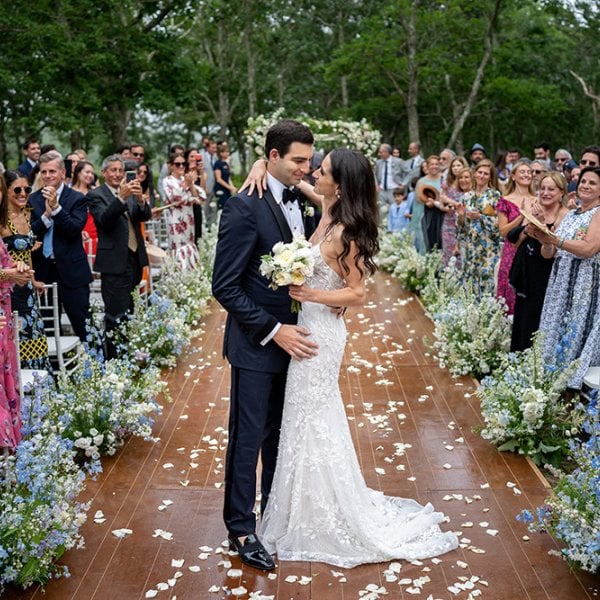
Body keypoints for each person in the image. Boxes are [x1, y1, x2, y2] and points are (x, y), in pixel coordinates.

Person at [257, 148, 458, 568]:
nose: (316, 174)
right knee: (302, 414)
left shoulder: (348, 230)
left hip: (322, 333)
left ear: (341, 184)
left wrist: (309, 292)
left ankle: (324, 510)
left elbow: (357, 294)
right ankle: (300, 504)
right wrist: (263, 165)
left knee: (313, 412)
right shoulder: (328, 206)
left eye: (324, 171)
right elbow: (302, 185)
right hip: (307, 323)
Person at [212, 119, 319, 571]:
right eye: (297, 160)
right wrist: (275, 331)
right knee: (249, 436)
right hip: (258, 344)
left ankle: (273, 516)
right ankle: (241, 528)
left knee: (282, 434)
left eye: (310, 161)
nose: (306, 169)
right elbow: (225, 286)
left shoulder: (305, 200)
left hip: (300, 341)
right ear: (272, 156)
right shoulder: (242, 208)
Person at [530, 166, 600, 389]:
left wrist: (555, 240)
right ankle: (550, 383)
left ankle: (571, 388)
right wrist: (543, 239)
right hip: (560, 283)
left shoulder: (598, 213)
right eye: (583, 182)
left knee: (575, 332)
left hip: (584, 284)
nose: (586, 186)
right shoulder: (571, 214)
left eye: (592, 183)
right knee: (555, 331)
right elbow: (550, 253)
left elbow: (589, 248)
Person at [87, 155, 151, 359]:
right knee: (115, 315)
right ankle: (115, 361)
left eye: (119, 170)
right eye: (112, 170)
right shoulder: (96, 195)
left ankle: (128, 354)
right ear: (104, 173)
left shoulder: (130, 191)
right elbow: (105, 220)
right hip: (114, 263)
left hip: (134, 259)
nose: (116, 174)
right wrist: (121, 198)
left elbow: (144, 216)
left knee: (130, 310)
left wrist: (140, 199)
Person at [28, 152, 93, 342]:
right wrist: (46, 217)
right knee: (48, 328)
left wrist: (56, 209)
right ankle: (55, 369)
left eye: (52, 171)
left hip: (72, 271)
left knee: (83, 324)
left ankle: (101, 367)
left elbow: (74, 229)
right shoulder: (33, 200)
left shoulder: (77, 199)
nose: (47, 176)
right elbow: (30, 233)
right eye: (44, 172)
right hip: (43, 271)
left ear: (63, 172)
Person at [509, 172, 568, 351]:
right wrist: (528, 227)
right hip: (526, 270)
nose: (545, 193)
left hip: (547, 275)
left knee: (538, 317)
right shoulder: (534, 209)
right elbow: (515, 242)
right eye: (542, 188)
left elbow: (549, 252)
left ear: (562, 192)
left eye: (551, 189)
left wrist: (542, 225)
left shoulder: (565, 215)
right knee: (523, 317)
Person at [1, 171, 51, 371]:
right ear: (6, 191)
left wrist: (35, 280)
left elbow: (27, 253)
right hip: (9, 288)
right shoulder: (2, 221)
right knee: (17, 341)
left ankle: (40, 390)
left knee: (36, 340)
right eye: (17, 189)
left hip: (27, 288)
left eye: (27, 189)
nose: (23, 193)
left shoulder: (25, 214)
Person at [495, 160, 537, 314]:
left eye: (529, 172)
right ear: (513, 176)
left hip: (531, 248)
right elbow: (503, 231)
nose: (527, 175)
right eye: (522, 172)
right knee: (509, 286)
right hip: (511, 250)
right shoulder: (505, 201)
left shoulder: (538, 199)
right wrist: (521, 215)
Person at [456, 158, 502, 297]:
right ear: (475, 174)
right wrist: (461, 217)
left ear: (490, 176)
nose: (482, 176)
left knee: (487, 285)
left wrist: (481, 217)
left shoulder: (495, 196)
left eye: (486, 173)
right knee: (470, 285)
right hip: (470, 249)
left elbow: (499, 225)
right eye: (480, 172)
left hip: (488, 248)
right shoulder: (466, 197)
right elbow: (460, 231)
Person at [162, 154, 202, 269]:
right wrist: (186, 186)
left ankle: (191, 276)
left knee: (189, 246)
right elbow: (174, 198)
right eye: (177, 164)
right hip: (175, 219)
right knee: (178, 248)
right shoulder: (167, 181)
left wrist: (191, 186)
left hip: (188, 218)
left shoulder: (187, 179)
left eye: (183, 164)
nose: (181, 166)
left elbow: (200, 197)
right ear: (171, 166)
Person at [440, 158, 470, 266]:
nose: (456, 168)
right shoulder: (447, 183)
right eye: (453, 166)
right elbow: (441, 200)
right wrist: (448, 207)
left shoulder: (466, 182)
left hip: (464, 221)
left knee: (461, 251)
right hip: (449, 221)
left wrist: (458, 206)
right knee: (448, 249)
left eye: (458, 165)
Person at [416, 155, 443, 251]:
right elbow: (418, 200)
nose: (434, 166)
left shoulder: (444, 179)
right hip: (428, 214)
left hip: (443, 213)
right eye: (432, 164)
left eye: (436, 164)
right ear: (427, 166)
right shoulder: (421, 181)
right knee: (429, 240)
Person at [72, 161, 98, 258]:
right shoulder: (69, 192)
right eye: (87, 172)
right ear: (78, 173)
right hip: (77, 233)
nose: (90, 175)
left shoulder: (96, 192)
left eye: (92, 173)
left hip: (95, 234)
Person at [375, 143, 406, 216]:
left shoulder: (398, 161)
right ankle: (382, 226)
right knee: (381, 211)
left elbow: (408, 172)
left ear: (387, 152)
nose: (379, 154)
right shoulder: (378, 162)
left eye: (381, 152)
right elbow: (374, 174)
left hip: (394, 190)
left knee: (395, 210)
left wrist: (404, 183)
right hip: (382, 190)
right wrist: (376, 184)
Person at [213, 145, 237, 210]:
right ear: (221, 153)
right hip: (220, 189)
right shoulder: (217, 164)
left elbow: (228, 178)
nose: (228, 154)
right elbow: (219, 179)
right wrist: (229, 187)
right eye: (226, 152)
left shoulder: (226, 164)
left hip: (227, 189)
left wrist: (232, 187)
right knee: (222, 208)